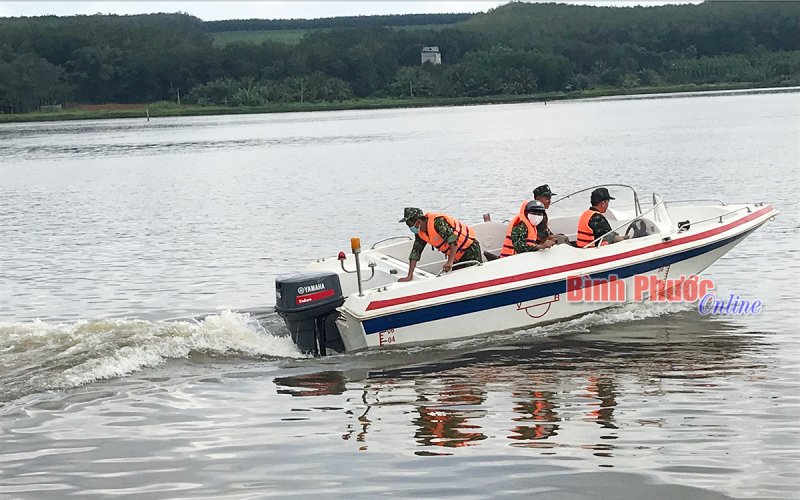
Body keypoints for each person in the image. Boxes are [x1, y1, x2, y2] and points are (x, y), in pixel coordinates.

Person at [397, 207, 482, 282]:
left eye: (410, 225)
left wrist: (449, 262)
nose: (410, 228)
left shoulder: (438, 222)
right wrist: (409, 275)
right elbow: (416, 252)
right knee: (457, 279)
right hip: (457, 256)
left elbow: (453, 242)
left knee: (473, 277)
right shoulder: (420, 233)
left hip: (470, 250)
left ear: (418, 221)